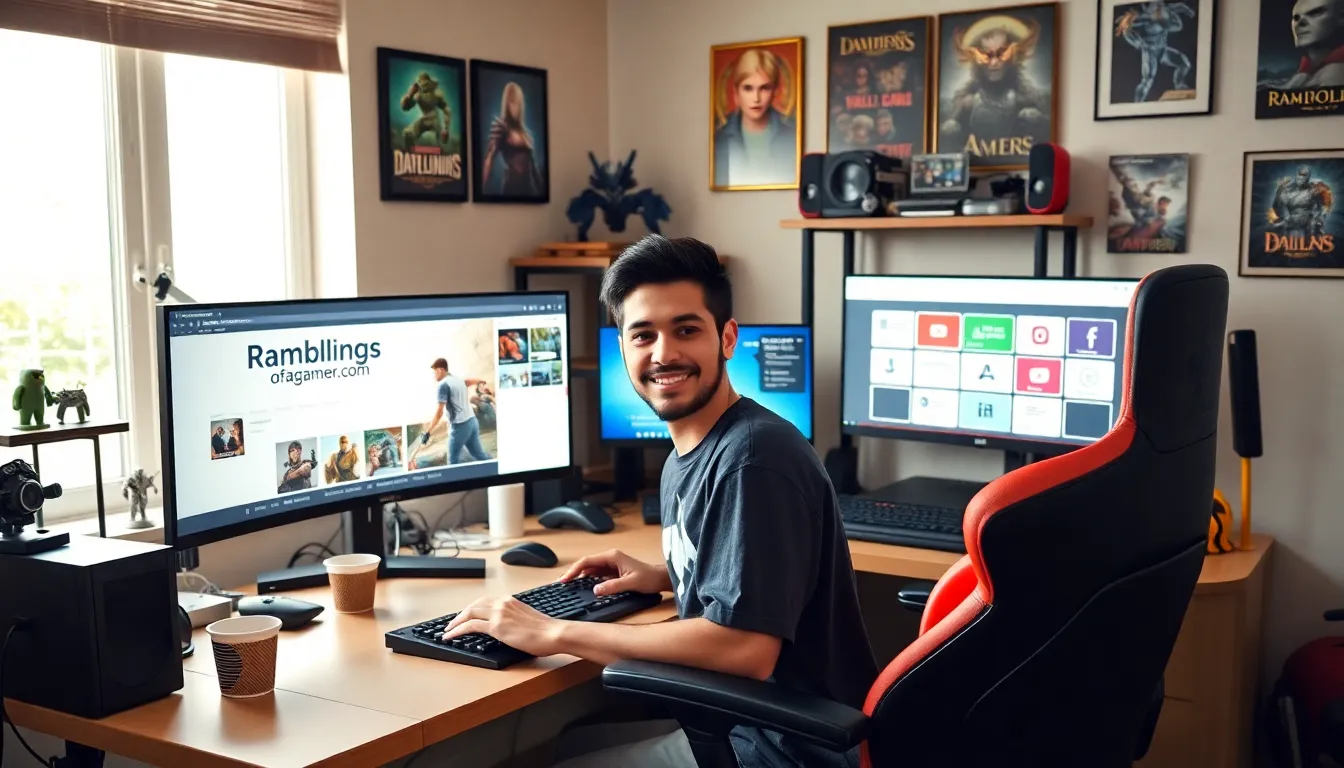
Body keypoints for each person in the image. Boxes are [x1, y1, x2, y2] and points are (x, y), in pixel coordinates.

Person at [443, 235, 877, 767]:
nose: (664, 353)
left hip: (789, 751)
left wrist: (552, 631)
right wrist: (666, 573)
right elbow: (764, 573)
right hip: (754, 730)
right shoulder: (691, 454)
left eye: (686, 330)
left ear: (727, 337)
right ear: (622, 348)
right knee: (573, 741)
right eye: (642, 335)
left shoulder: (754, 459)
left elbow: (745, 649)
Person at [422, 357, 492, 464]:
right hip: (472, 422)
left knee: (452, 461)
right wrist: (481, 381)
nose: (434, 375)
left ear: (440, 369)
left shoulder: (443, 385)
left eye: (434, 371)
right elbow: (468, 381)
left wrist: (427, 432)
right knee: (479, 454)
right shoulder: (457, 380)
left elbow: (439, 412)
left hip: (460, 426)